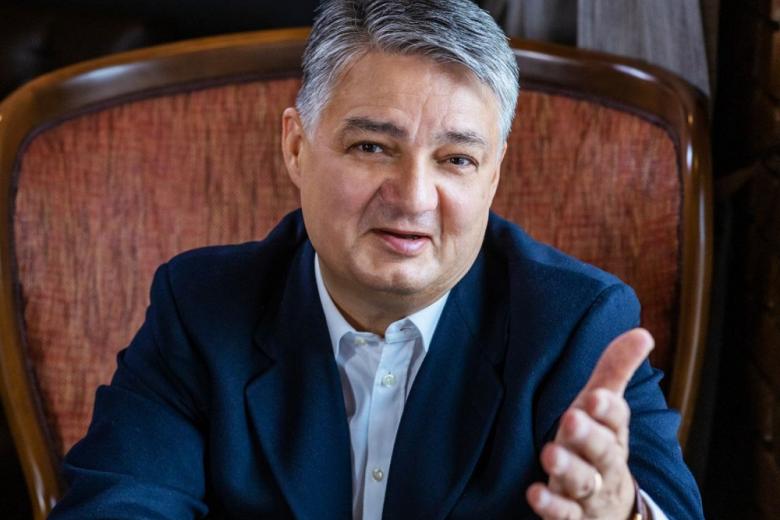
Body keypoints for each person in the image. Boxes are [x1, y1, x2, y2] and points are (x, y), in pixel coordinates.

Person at [49, 1, 704, 518]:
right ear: (296, 147)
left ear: (494, 175)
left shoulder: (577, 323)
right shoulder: (200, 306)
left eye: (457, 160)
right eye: (371, 147)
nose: (414, 197)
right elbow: (119, 502)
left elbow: (666, 508)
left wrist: (621, 511)